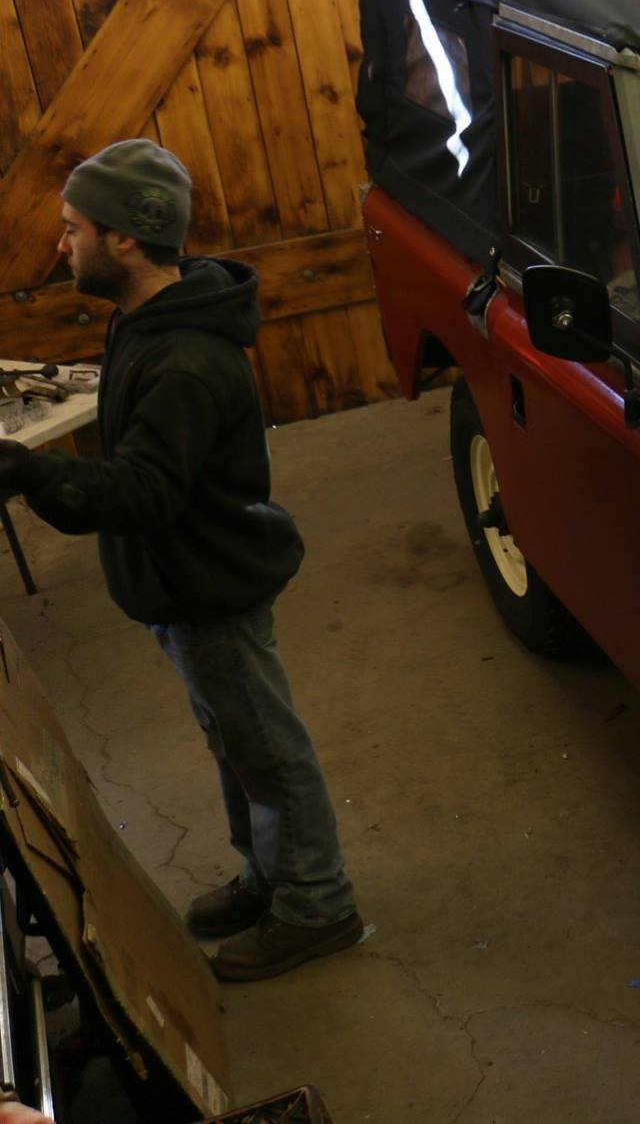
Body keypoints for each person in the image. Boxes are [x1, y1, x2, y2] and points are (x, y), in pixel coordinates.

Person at [0, 139, 360, 981]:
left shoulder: (187, 361)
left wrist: (24, 468)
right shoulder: (145, 317)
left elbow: (141, 493)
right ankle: (269, 873)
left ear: (126, 238)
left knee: (265, 746)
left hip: (211, 584)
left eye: (73, 228)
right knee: (235, 738)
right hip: (179, 583)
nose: (62, 245)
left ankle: (318, 901)